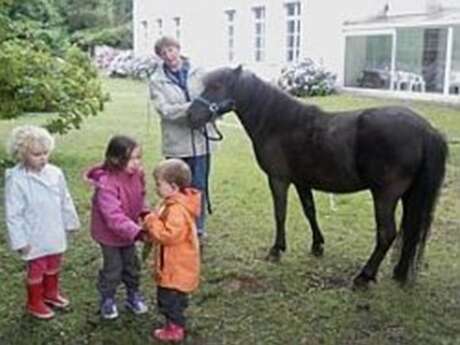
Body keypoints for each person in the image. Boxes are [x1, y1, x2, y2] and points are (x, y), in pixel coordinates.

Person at [4, 125, 80, 320]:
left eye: (46, 153)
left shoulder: (55, 173)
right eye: (37, 154)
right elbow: (14, 214)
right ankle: (34, 301)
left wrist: (70, 222)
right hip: (33, 234)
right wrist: (20, 241)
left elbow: (65, 199)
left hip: (54, 229)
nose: (43, 158)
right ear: (21, 154)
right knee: (37, 267)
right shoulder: (17, 180)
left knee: (54, 262)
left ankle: (50, 292)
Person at [149, 36, 217, 240]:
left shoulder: (200, 72)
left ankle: (197, 229)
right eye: (163, 53)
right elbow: (165, 110)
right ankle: (178, 226)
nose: (169, 55)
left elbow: (212, 101)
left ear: (178, 49)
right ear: (160, 57)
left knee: (199, 187)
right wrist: (193, 108)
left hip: (201, 141)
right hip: (177, 145)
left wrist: (209, 111)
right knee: (176, 188)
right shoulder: (156, 80)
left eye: (171, 50)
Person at [86, 135, 149, 320]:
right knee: (113, 268)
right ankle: (107, 298)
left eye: (139, 157)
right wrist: (137, 232)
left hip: (128, 233)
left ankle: (133, 295)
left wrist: (145, 214)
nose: (137, 163)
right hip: (109, 236)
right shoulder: (106, 184)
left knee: (132, 266)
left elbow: (141, 196)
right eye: (132, 158)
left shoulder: (138, 174)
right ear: (115, 159)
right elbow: (113, 217)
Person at [144, 158, 201, 342]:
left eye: (159, 184)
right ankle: (176, 322)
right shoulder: (173, 203)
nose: (156, 187)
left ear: (174, 187)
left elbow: (168, 236)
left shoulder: (176, 209)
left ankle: (175, 329)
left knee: (168, 299)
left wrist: (151, 221)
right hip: (177, 265)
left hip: (175, 267)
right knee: (176, 298)